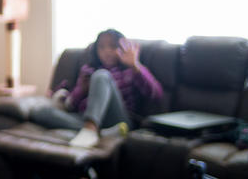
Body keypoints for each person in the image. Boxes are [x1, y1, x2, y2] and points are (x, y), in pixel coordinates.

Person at [32, 29, 163, 147]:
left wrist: (135, 65)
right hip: (86, 117)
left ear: (122, 48)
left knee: (101, 76)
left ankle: (90, 129)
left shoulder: (130, 71)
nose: (107, 51)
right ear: (96, 50)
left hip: (119, 121)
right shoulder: (88, 70)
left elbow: (156, 95)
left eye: (113, 46)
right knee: (39, 112)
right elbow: (71, 105)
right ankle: (99, 131)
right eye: (102, 47)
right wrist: (81, 90)